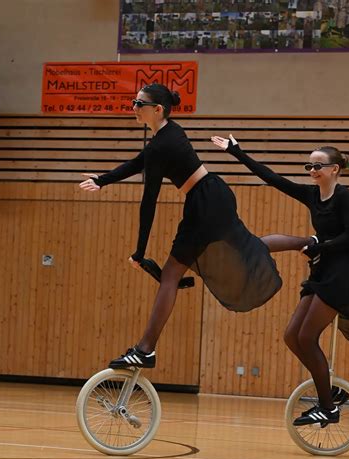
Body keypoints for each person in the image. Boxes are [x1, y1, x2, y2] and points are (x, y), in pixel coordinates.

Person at [80, 83, 313, 369]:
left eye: (138, 103)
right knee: (247, 246)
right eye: (133, 102)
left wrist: (140, 252)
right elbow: (138, 163)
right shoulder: (168, 134)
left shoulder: (162, 143)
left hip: (205, 203)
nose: (133, 107)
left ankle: (146, 349)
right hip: (211, 195)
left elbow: (148, 202)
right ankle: (309, 243)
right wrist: (102, 180)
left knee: (170, 275)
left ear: (157, 109)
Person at [211, 134, 349, 426]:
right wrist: (236, 151)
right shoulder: (311, 194)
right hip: (321, 271)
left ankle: (328, 409)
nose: (312, 170)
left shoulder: (343, 195)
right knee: (292, 336)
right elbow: (272, 178)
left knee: (306, 336)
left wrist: (321, 245)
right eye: (309, 166)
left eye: (318, 165)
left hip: (341, 275)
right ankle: (327, 390)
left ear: (335, 169)